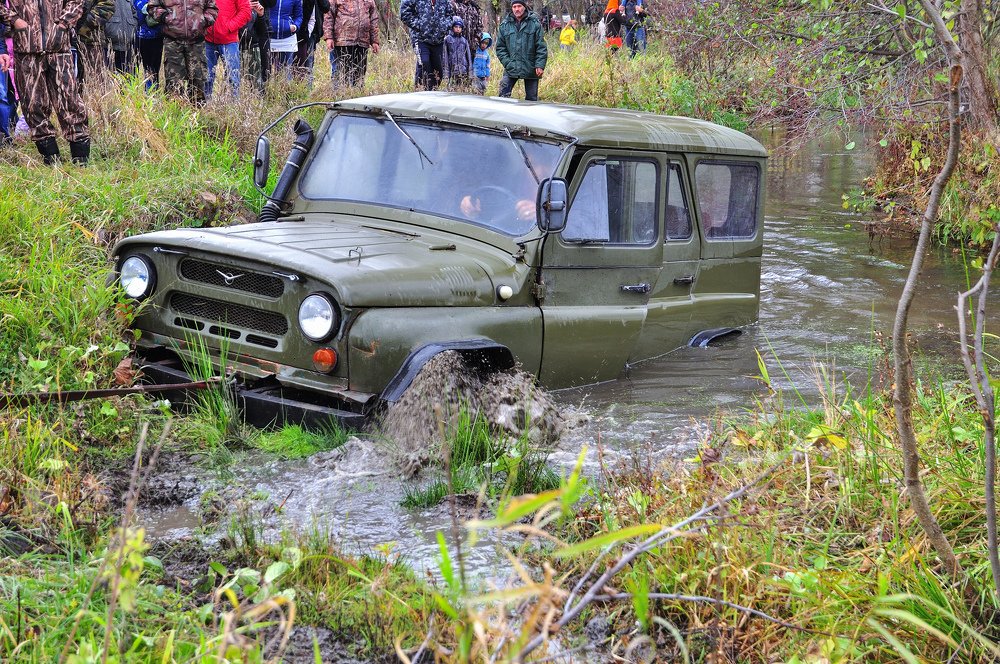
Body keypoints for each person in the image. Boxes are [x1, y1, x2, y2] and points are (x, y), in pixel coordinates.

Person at [0, 0, 92, 163]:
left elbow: (76, 2)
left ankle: (81, 158)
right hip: (26, 52)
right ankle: (50, 157)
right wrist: (14, 20)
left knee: (70, 101)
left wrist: (63, 23)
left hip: (59, 50)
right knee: (33, 104)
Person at [147, 0, 218, 104]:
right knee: (174, 82)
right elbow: (152, 6)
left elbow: (213, 8)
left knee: (198, 81)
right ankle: (175, 114)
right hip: (173, 41)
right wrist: (165, 17)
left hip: (196, 42)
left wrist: (203, 20)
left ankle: (197, 114)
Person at [495, 0, 546, 101]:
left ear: (524, 7)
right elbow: (500, 48)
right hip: (511, 66)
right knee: (503, 96)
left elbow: (541, 46)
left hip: (530, 66)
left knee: (531, 99)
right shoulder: (505, 25)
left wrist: (540, 65)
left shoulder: (534, 24)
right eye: (514, 7)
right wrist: (508, 63)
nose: (517, 9)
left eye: (519, 6)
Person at [323, 0, 377, 88]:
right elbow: (329, 15)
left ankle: (357, 96)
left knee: (359, 74)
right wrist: (329, 37)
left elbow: (373, 19)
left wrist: (374, 41)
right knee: (340, 73)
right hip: (342, 41)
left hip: (362, 42)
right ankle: (339, 97)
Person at [399, 0, 452, 91]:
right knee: (424, 63)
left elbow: (450, 15)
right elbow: (404, 12)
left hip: (438, 40)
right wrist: (420, 25)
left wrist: (443, 27)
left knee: (438, 70)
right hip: (420, 39)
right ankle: (420, 91)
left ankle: (433, 92)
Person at [203, 0, 250, 97]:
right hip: (207, 39)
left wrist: (229, 27)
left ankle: (233, 108)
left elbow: (246, 11)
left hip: (229, 41)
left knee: (233, 78)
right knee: (206, 77)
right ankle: (205, 107)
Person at [239, 0, 273, 91]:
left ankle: (260, 98)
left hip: (254, 45)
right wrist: (245, 9)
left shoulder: (255, 5)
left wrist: (261, 15)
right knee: (237, 78)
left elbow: (262, 31)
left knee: (261, 77)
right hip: (234, 44)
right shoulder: (236, 4)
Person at [292, 0, 326, 84]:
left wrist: (307, 33)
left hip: (308, 34)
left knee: (307, 66)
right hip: (287, 34)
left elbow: (325, 7)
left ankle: (305, 92)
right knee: (288, 65)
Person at [267, 0, 301, 78]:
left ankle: (284, 89)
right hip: (269, 38)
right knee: (266, 72)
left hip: (287, 39)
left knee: (285, 74)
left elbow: (299, 16)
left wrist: (295, 26)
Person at [134, 0, 163, 89]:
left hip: (155, 37)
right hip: (137, 37)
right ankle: (133, 95)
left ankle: (151, 95)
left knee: (152, 70)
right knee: (133, 69)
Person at [105, 0, 138, 73]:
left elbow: (134, 14)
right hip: (108, 45)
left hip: (127, 45)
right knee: (109, 77)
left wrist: (133, 29)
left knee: (128, 78)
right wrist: (107, 29)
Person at [442, 16, 470, 89]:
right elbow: (445, 57)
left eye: (460, 27)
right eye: (456, 26)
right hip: (452, 70)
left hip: (463, 71)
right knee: (451, 90)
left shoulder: (464, 41)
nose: (458, 29)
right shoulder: (447, 39)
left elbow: (469, 58)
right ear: (452, 27)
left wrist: (470, 73)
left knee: (462, 90)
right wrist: (446, 74)